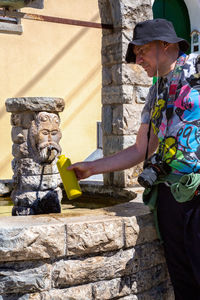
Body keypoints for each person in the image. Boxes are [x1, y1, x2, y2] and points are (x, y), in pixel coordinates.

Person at [68, 18, 200, 299]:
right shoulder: (155, 93)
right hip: (169, 196)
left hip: (198, 194)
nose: (137, 59)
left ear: (165, 45)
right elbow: (141, 149)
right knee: (184, 281)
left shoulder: (197, 69)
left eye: (141, 51)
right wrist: (91, 168)